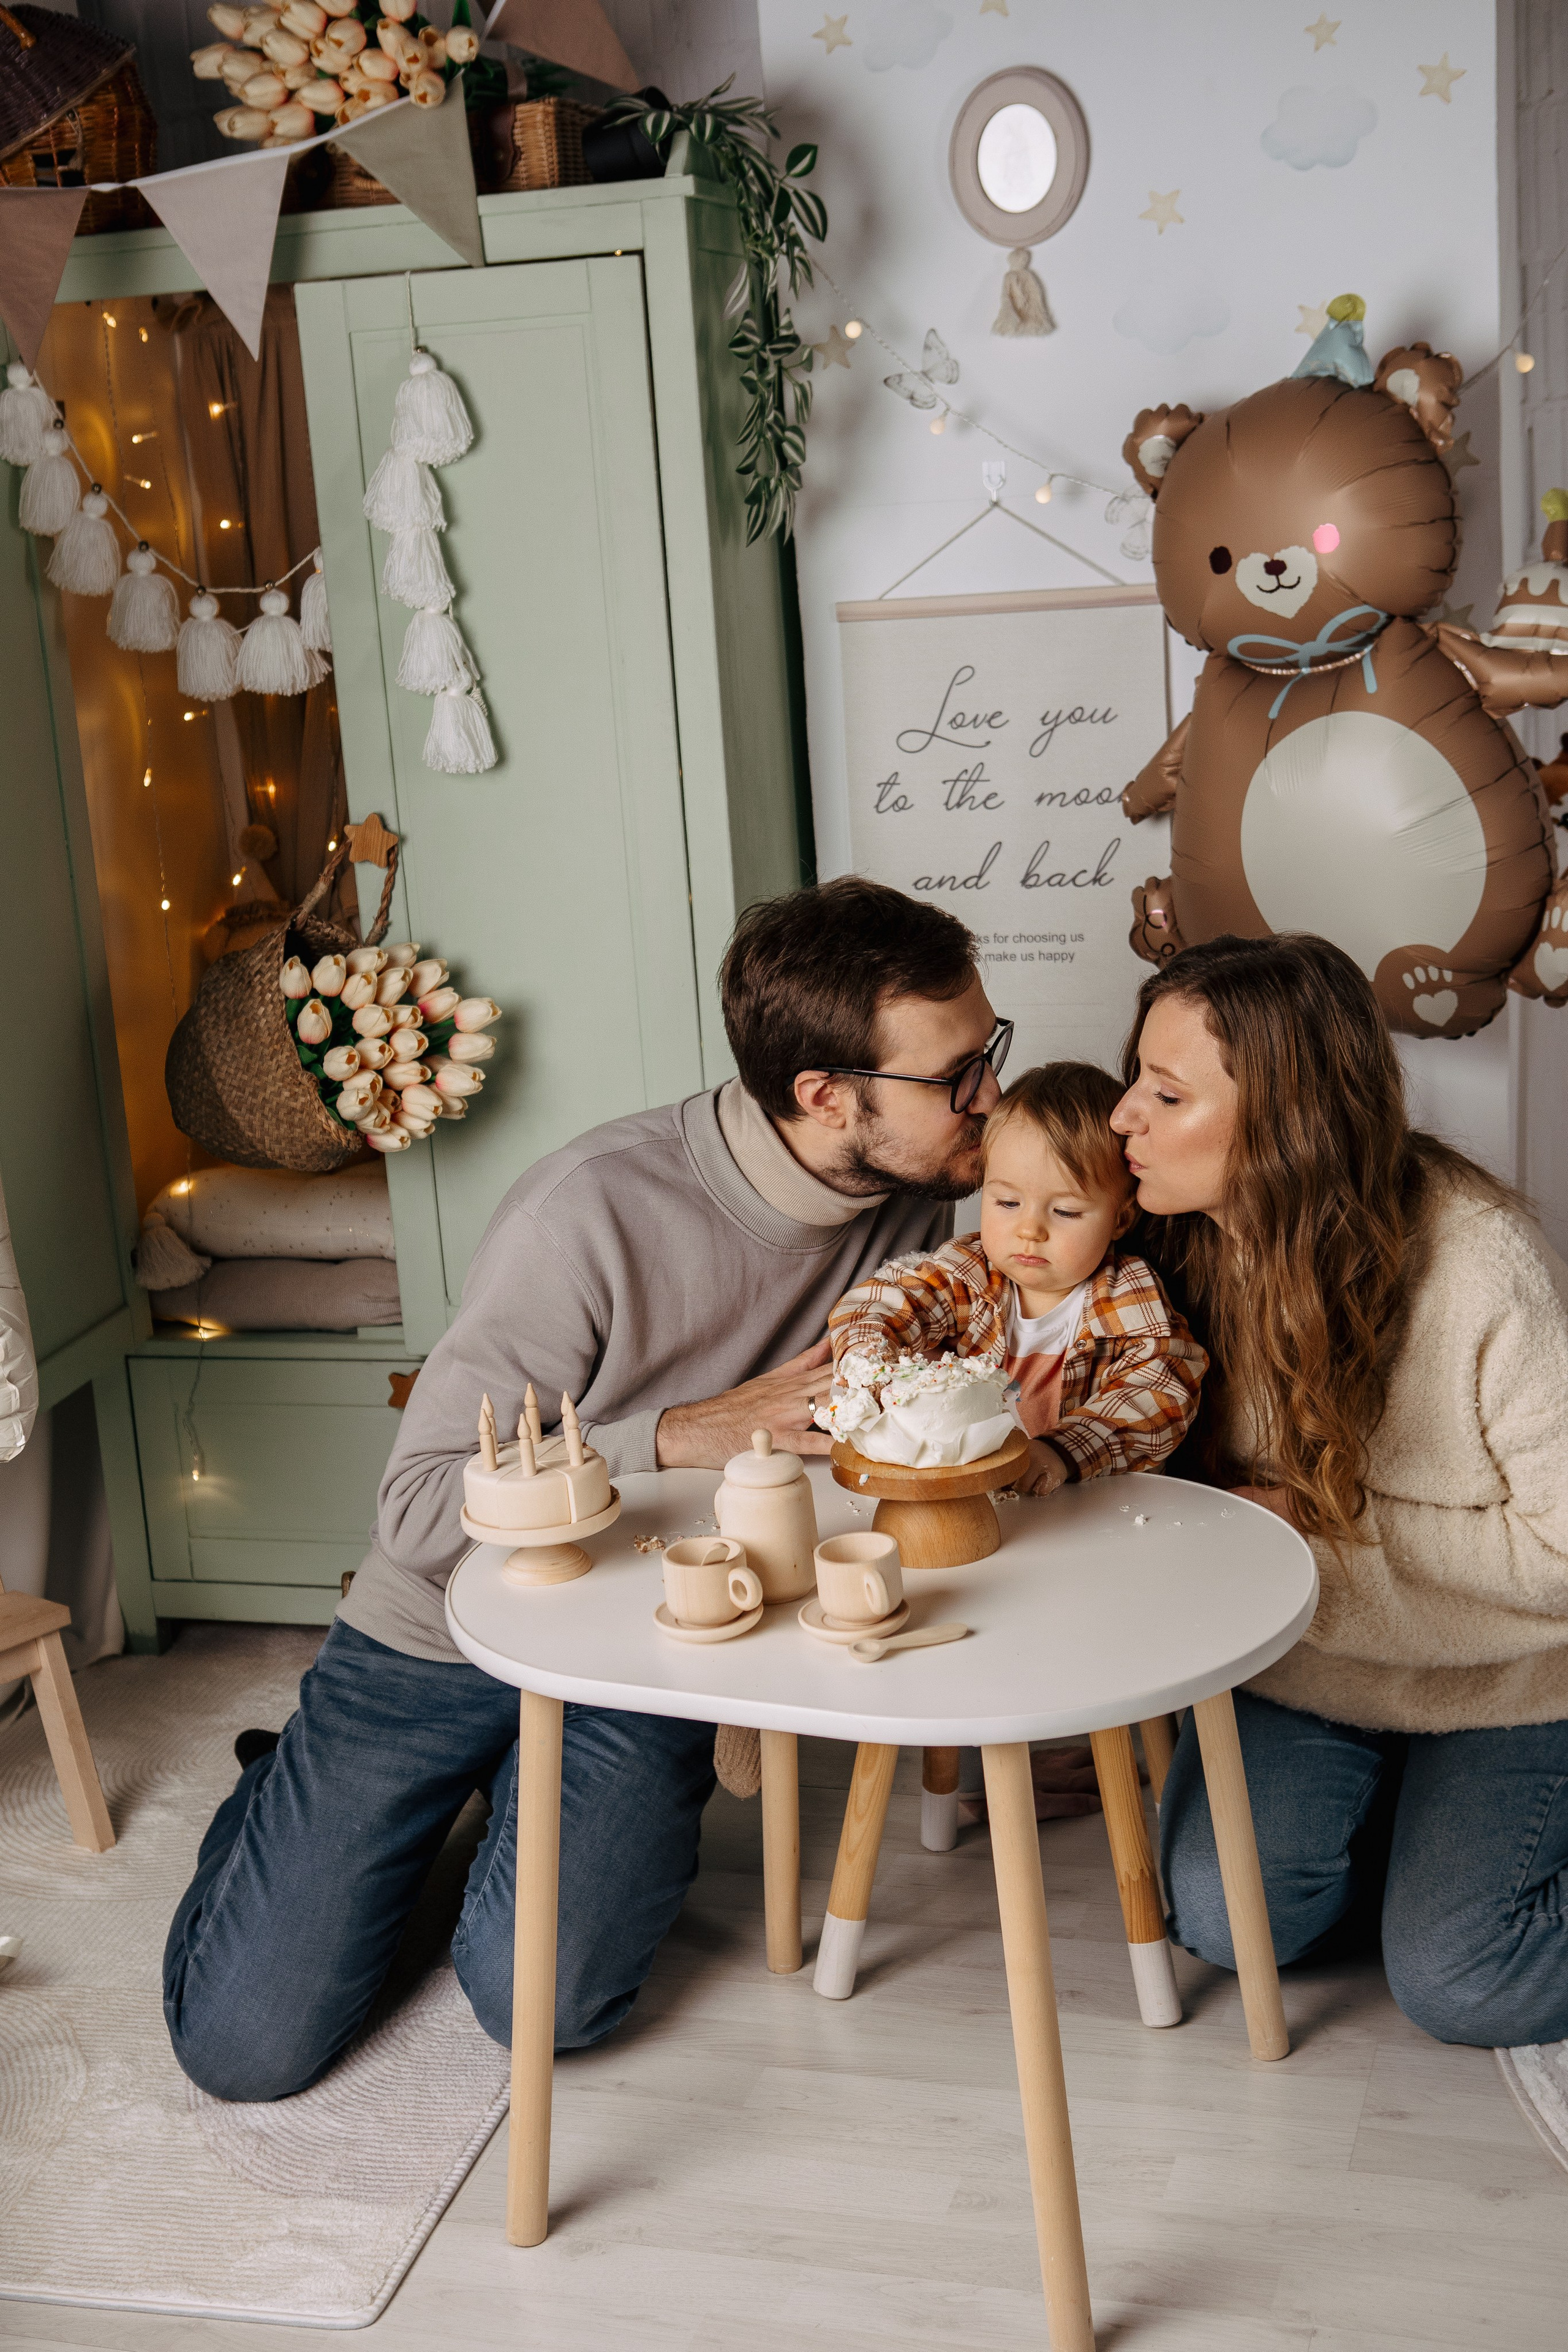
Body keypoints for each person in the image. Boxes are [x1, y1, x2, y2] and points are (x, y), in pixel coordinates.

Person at [164, 876, 1022, 2101]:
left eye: (988, 1052)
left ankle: (506, 1804)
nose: (989, 1096)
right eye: (956, 1077)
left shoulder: (941, 1205)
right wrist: (678, 1435)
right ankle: (283, 1792)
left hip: (647, 1646)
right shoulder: (588, 1210)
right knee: (245, 2050)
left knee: (550, 2007)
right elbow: (419, 1506)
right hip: (440, 1636)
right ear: (824, 1096)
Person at [1112, 932, 1568, 2048]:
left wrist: (1310, 1536)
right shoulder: (1168, 1250)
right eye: (1136, 1080)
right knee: (1222, 1921)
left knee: (1462, 1980)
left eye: (1166, 1094)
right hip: (1311, 1665)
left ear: (1285, 1122)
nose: (1124, 1117)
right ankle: (1405, 1837)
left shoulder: (1482, 1263)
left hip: (1513, 1682)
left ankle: (1441, 1861)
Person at [819, 1061, 1206, 1494]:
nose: (1030, 1231)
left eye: (1065, 1212)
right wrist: (870, 1364)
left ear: (1120, 1220)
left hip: (1093, 1501)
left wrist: (1063, 1451)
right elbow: (878, 1303)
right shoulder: (966, 1274)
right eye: (1007, 1203)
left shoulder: (1128, 1294)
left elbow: (1163, 1389)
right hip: (981, 1495)